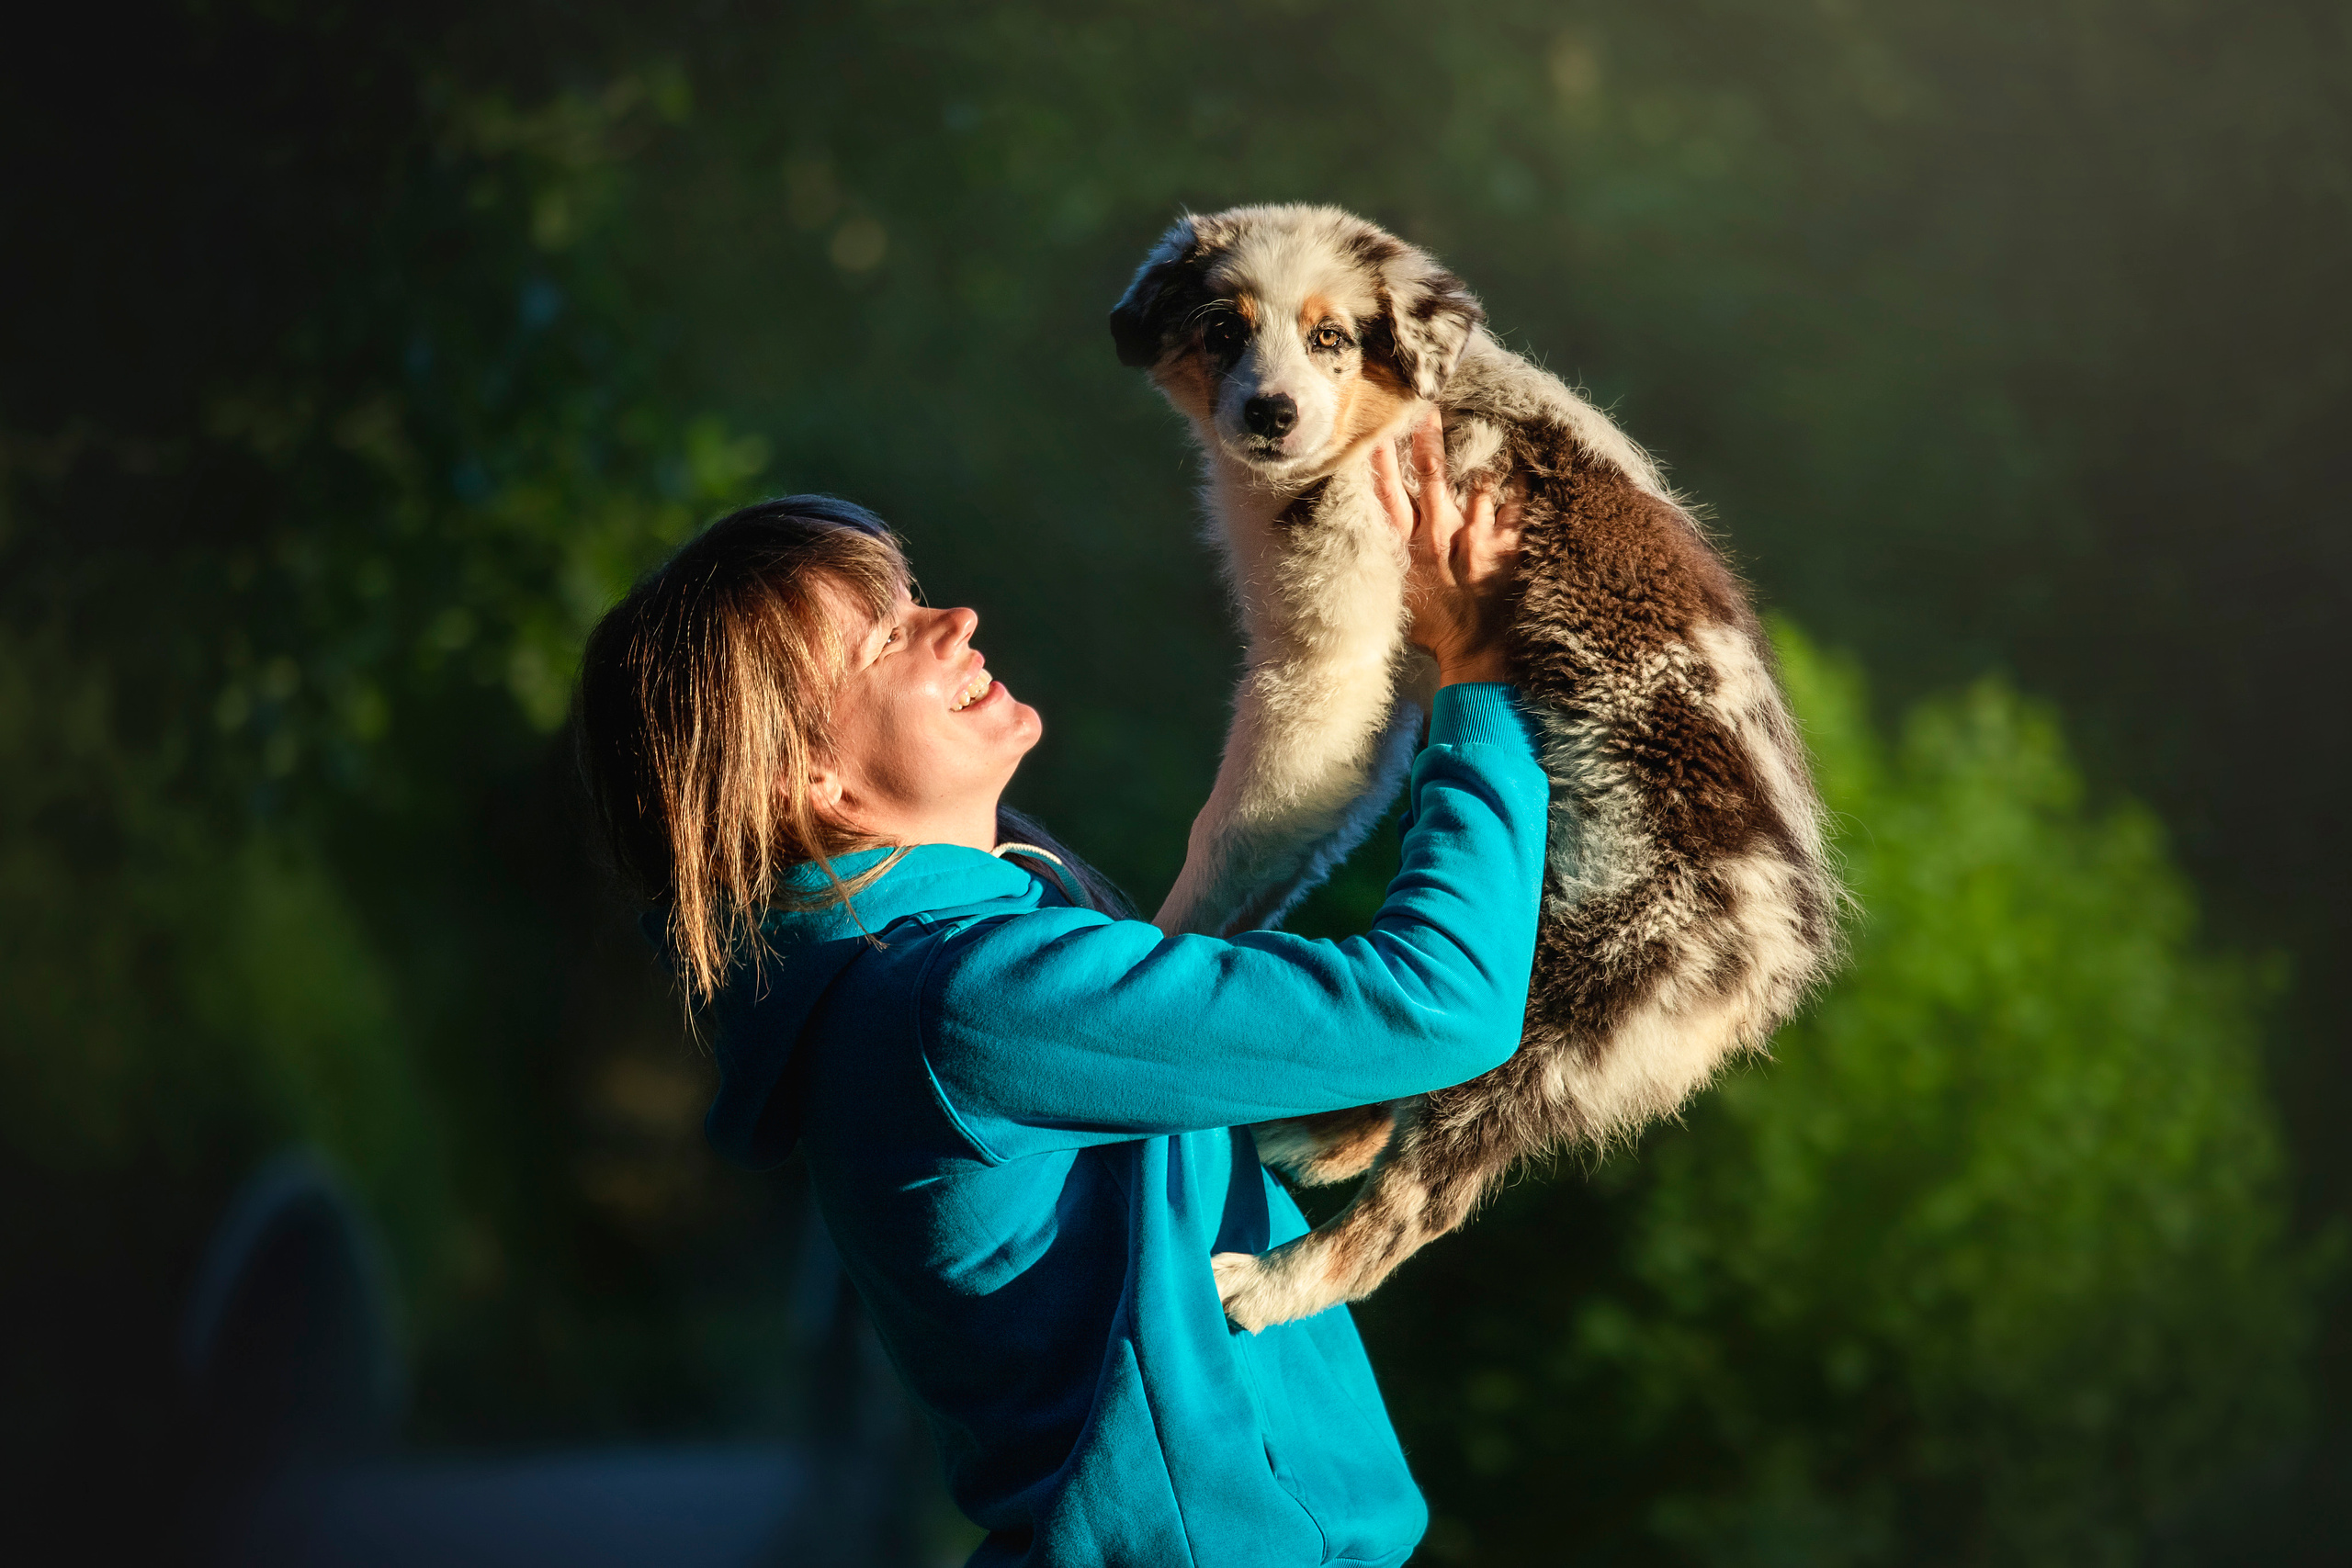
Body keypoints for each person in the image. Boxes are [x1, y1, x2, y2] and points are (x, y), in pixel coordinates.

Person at [574, 416, 1544, 1567]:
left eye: (914, 596)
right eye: (884, 640)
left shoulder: (962, 958)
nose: (953, 623)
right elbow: (1442, 1002)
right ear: (807, 778)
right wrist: (1477, 670)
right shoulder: (964, 998)